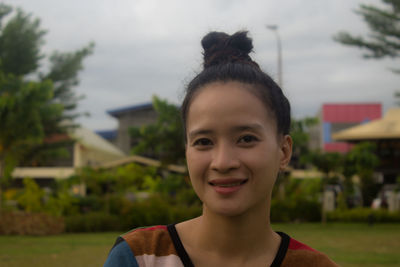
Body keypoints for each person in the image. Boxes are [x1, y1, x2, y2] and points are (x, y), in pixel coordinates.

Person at [104, 31, 338, 267]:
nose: (223, 162)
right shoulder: (140, 257)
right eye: (204, 142)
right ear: (187, 151)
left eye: (246, 139)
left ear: (284, 151)